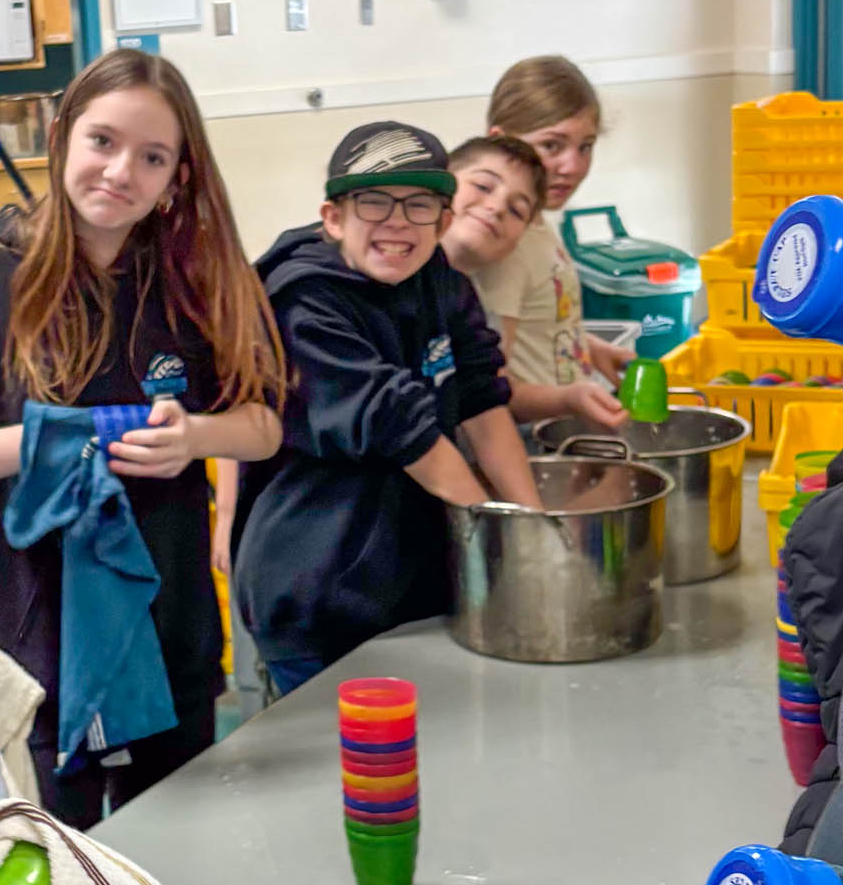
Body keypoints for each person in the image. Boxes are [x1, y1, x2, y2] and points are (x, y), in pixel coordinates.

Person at [0, 47, 287, 829]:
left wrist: (194, 436)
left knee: (182, 862)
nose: (120, 173)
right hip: (29, 653)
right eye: (103, 142)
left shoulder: (187, 285)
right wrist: (40, 442)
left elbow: (264, 428)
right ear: (62, 138)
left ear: (179, 175)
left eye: (152, 158)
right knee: (55, 865)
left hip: (167, 638)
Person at [234, 122, 546, 696]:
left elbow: (482, 400)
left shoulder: (439, 281)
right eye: (374, 202)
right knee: (347, 767)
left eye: (420, 204)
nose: (397, 222)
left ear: (443, 221)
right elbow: (404, 430)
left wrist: (536, 529)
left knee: (421, 760)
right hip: (319, 592)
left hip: (410, 583)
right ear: (334, 218)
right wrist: (499, 544)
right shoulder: (304, 302)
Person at [475, 57, 635, 402]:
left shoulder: (536, 220)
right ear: (500, 144)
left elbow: (538, 324)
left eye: (586, 147)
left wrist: (588, 347)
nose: (573, 166)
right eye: (552, 146)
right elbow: (489, 390)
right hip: (531, 438)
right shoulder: (503, 248)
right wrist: (568, 400)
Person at [441, 134, 625, 431]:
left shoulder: (467, 307)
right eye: (483, 186)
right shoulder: (402, 284)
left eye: (517, 211)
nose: (497, 207)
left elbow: (488, 402)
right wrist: (566, 400)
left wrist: (590, 346)